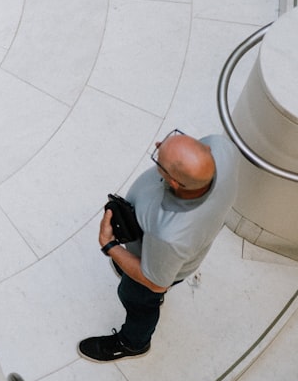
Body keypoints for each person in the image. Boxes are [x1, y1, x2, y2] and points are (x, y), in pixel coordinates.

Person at [79, 129, 240, 362]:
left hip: (160, 266)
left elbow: (154, 282)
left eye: (159, 157)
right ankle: (128, 271)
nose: (157, 142)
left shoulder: (171, 234)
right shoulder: (221, 148)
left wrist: (109, 245)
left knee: (136, 297)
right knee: (134, 278)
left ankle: (133, 343)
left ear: (174, 182)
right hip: (162, 251)